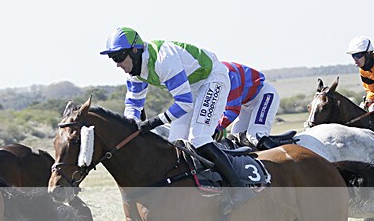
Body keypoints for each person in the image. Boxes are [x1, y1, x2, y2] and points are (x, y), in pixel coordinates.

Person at [100, 27, 249, 192]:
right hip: (192, 86)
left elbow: (184, 103)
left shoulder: (163, 60)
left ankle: (239, 188)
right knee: (175, 143)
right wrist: (130, 127)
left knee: (199, 138)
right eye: (112, 58)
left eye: (119, 56)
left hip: (212, 78)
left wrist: (153, 122)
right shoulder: (134, 72)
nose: (117, 64)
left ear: (135, 50)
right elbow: (133, 105)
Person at [214, 62, 280, 148]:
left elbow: (232, 110)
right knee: (235, 138)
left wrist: (216, 128)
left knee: (255, 136)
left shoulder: (228, 73)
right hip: (245, 104)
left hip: (264, 96)